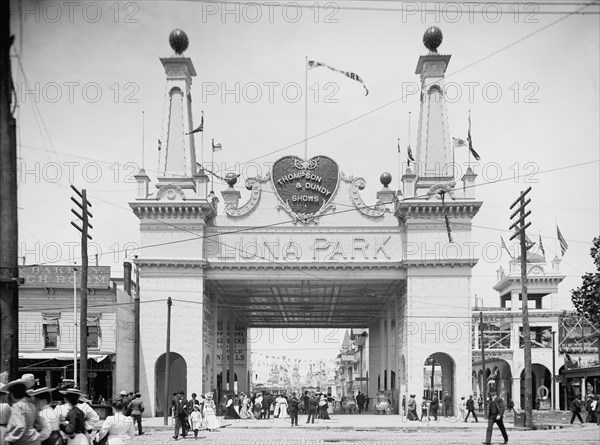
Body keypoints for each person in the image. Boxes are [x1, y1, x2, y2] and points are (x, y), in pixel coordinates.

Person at [3, 374, 50, 445]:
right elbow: (39, 424)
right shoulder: (31, 404)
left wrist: (9, 439)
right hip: (35, 440)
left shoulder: (17, 406)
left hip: (23, 442)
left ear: (12, 394)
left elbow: (20, 426)